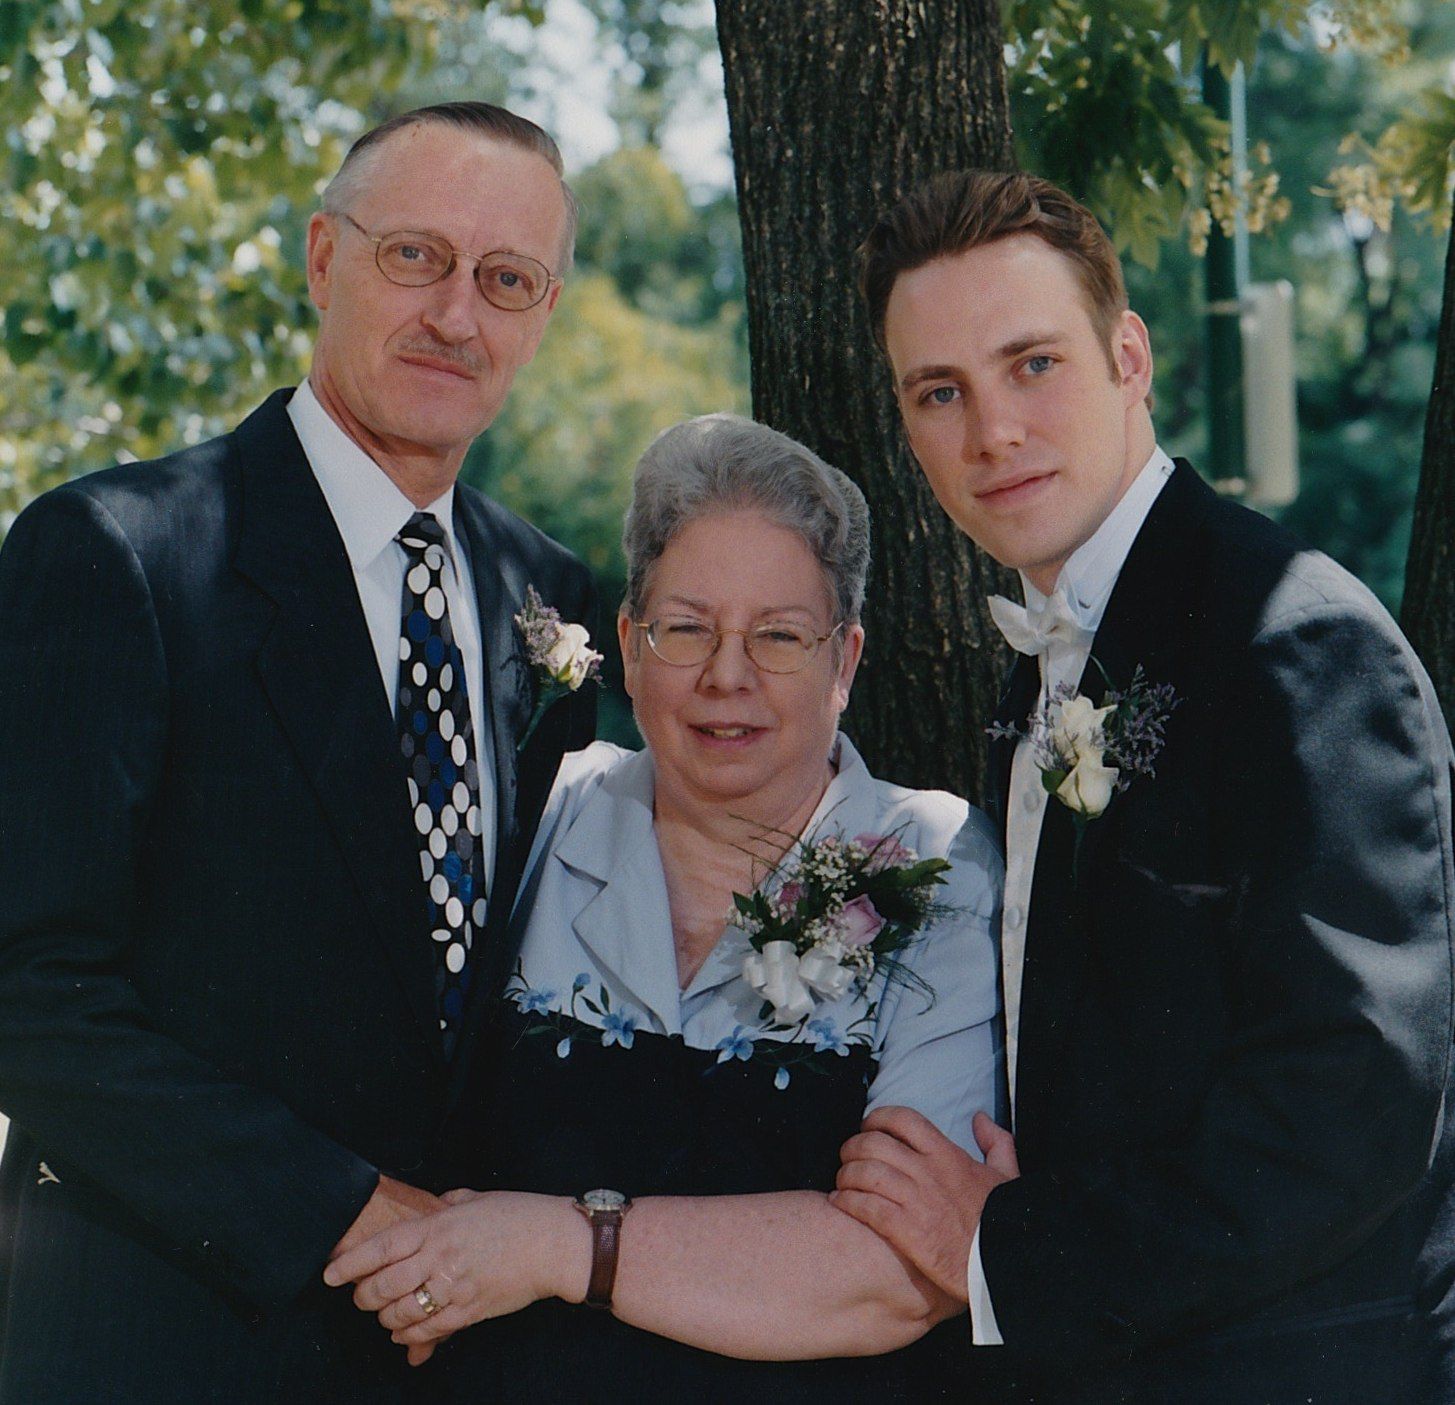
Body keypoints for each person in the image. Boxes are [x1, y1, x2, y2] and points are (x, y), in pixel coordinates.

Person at [0, 102, 597, 1403]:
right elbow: (27, 987)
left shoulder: (555, 603)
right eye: (414, 257)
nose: (457, 314)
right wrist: (335, 1210)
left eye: (505, 279)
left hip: (461, 1355)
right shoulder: (115, 554)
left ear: (543, 313)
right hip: (165, 1341)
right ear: (322, 257)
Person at [831, 167, 1455, 1403]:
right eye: (939, 392)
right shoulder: (1054, 655)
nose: (991, 432)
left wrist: (1004, 1254)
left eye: (1034, 364)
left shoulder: (1291, 638)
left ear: (1129, 356)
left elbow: (1354, 1102)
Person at [325, 413, 1005, 1402]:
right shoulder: (535, 817)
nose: (727, 676)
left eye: (778, 635)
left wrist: (561, 1243)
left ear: (845, 660)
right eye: (687, 628)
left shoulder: (929, 863)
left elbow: (894, 1277)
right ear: (630, 647)